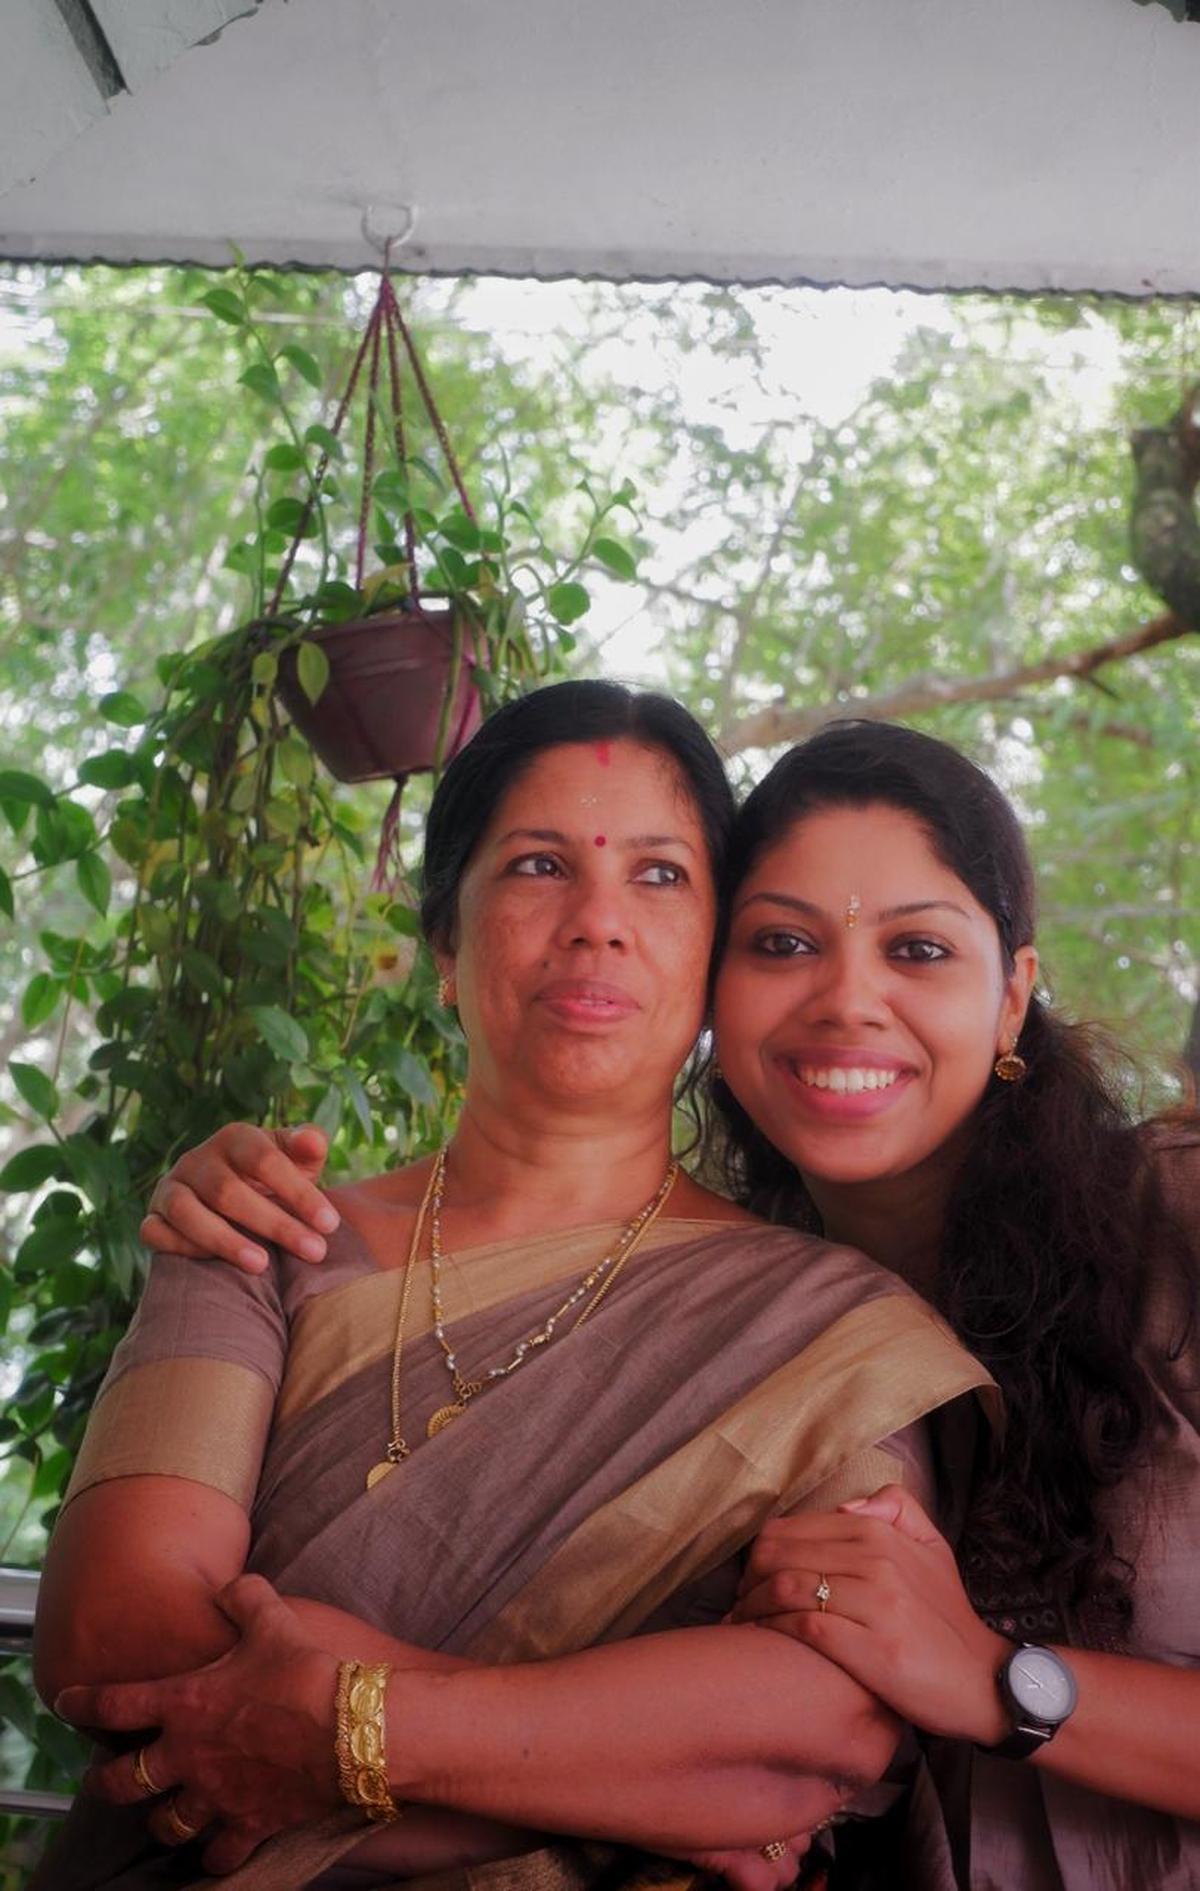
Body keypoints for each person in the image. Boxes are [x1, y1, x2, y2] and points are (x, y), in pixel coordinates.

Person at [139, 716, 1200, 1890]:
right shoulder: (765, 1312)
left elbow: (809, 1747)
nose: (848, 1001)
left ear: (1013, 998)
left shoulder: (1174, 1222)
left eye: (920, 951)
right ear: (710, 988)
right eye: (784, 943)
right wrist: (639, 1781)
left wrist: (1002, 1683)